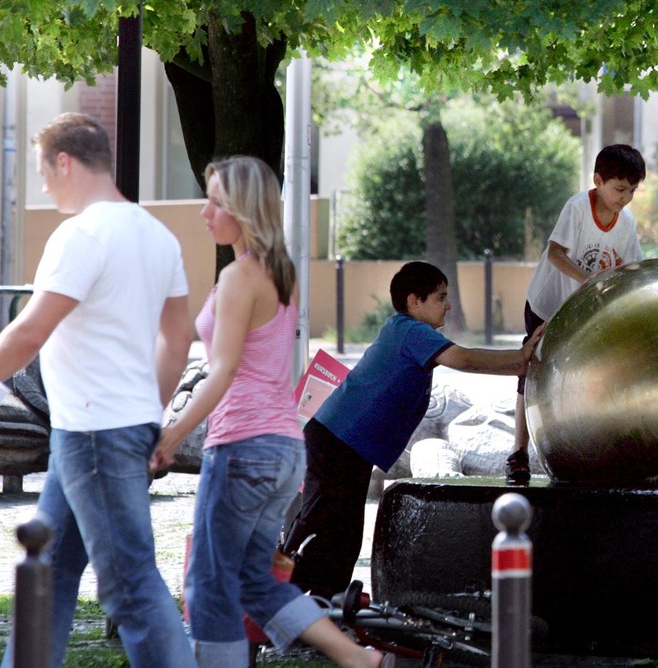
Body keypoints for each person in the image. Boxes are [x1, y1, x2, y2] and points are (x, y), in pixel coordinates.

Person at [149, 157, 390, 667]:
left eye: (215, 200)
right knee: (257, 582)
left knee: (211, 583)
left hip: (243, 445)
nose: (204, 212)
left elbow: (223, 370)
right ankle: (357, 659)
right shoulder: (281, 273)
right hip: (281, 448)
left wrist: (171, 435)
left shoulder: (241, 276)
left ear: (240, 208)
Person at [0, 113, 195, 668]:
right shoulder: (156, 234)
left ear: (65, 161)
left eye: (43, 171)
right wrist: (147, 414)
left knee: (130, 585)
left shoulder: (80, 235)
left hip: (92, 434)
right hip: (108, 430)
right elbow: (178, 339)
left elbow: (29, 332)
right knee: (51, 575)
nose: (43, 186)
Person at [283, 261, 543, 600]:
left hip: (348, 445)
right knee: (322, 523)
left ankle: (323, 603)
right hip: (335, 441)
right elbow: (463, 360)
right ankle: (280, 603)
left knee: (344, 529)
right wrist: (519, 359)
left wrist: (519, 362)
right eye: (440, 297)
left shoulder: (409, 332)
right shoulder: (409, 330)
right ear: (414, 301)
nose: (448, 305)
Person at [505, 143, 646, 484]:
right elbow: (555, 253)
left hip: (584, 310)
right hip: (547, 304)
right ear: (597, 180)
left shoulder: (626, 221)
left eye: (632, 191)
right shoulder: (578, 208)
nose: (624, 197)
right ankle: (519, 452)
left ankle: (583, 444)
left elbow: (634, 268)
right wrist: (586, 280)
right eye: (619, 189)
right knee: (532, 370)